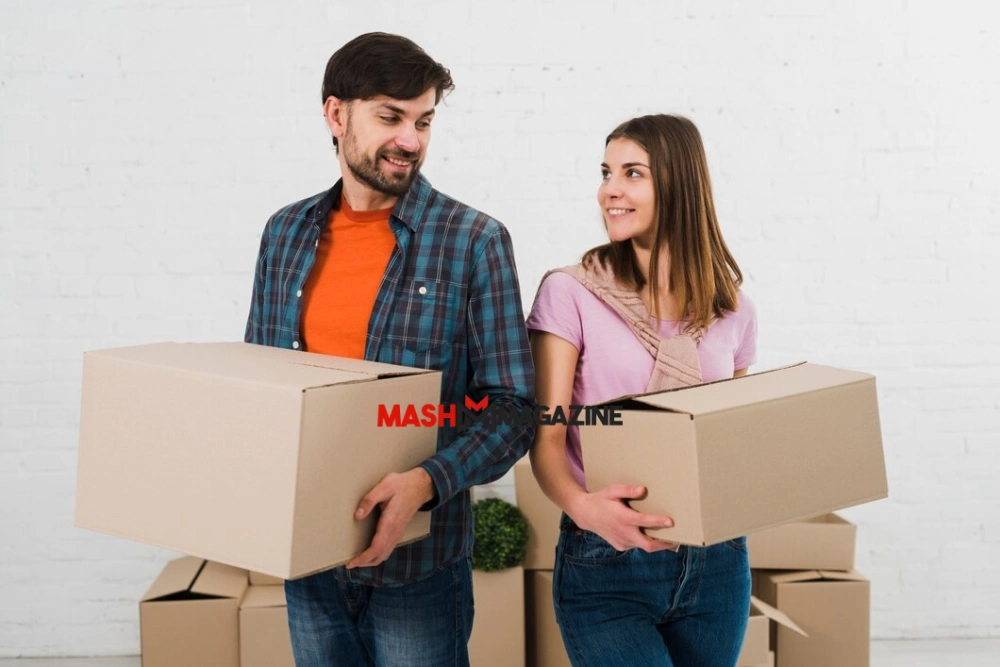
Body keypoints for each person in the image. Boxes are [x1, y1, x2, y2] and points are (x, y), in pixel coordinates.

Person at [244, 32, 535, 667]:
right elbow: (259, 389)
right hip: (310, 562)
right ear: (335, 114)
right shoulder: (285, 234)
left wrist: (427, 482)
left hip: (419, 567)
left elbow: (514, 409)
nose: (411, 139)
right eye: (390, 116)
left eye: (423, 120)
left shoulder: (474, 241)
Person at [526, 114, 757, 666]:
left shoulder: (733, 310)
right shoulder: (570, 293)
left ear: (678, 184)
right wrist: (584, 509)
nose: (610, 190)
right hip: (606, 560)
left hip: (717, 563)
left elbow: (732, 441)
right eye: (606, 172)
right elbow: (547, 439)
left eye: (633, 173)